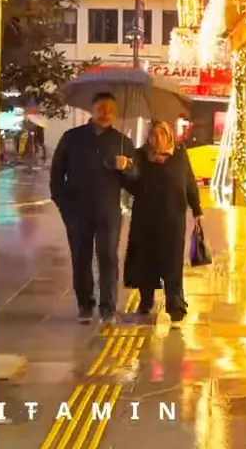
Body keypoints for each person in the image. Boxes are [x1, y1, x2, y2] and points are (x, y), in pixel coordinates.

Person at [49, 93, 134, 323]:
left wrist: (126, 168)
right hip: (77, 210)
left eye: (110, 109)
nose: (106, 113)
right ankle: (85, 305)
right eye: (101, 108)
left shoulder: (122, 142)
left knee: (108, 258)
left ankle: (108, 307)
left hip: (108, 211)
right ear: (93, 109)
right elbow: (57, 172)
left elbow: (135, 182)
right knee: (80, 257)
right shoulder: (72, 138)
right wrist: (62, 204)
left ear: (115, 113)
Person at [122, 121, 202, 324]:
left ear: (169, 136)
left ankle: (175, 304)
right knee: (145, 258)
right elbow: (133, 187)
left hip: (172, 218)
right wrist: (126, 171)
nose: (156, 138)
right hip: (145, 217)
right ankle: (146, 299)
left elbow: (189, 182)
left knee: (172, 261)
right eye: (153, 134)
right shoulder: (140, 156)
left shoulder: (180, 155)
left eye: (161, 134)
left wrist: (197, 209)